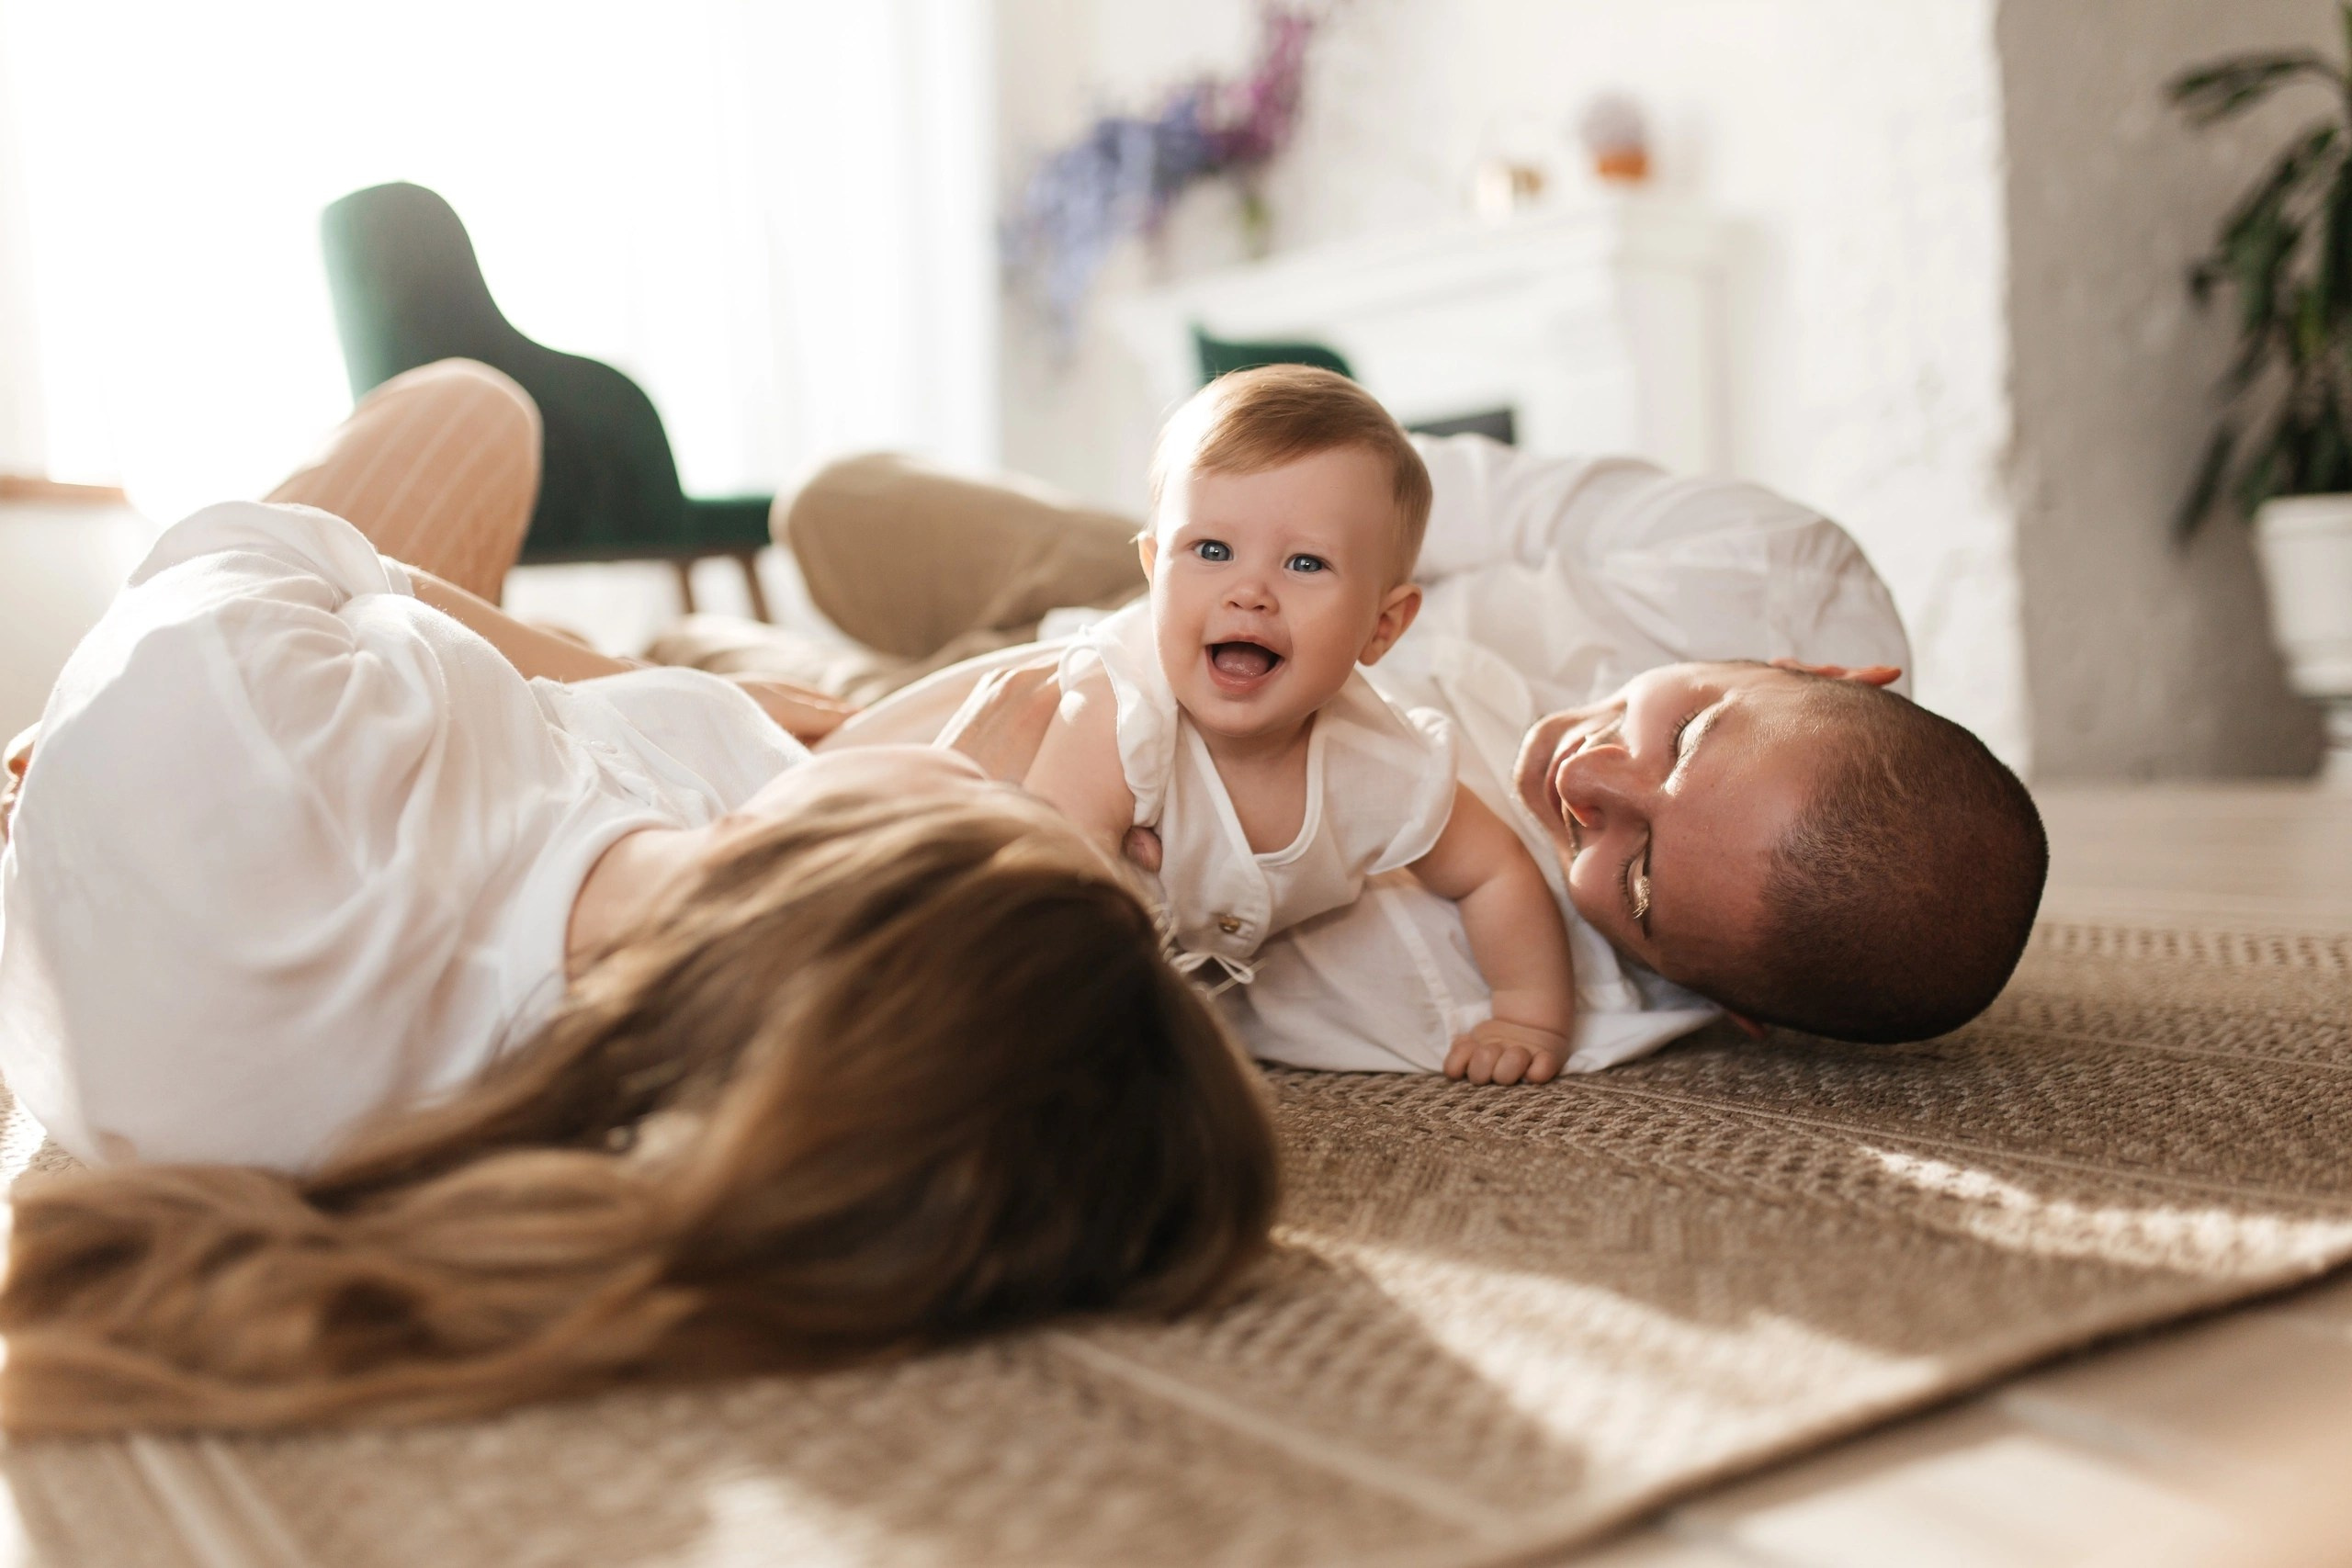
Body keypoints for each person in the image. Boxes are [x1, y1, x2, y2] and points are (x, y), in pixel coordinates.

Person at [0, 363, 1278, 1434]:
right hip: (675, 783)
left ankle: (707, 665)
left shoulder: (276, 734)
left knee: (471, 407)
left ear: (859, 856)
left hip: (273, 751)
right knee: (804, 677)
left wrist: (615, 678)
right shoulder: (621, 1081)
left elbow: (271, 556)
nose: (1130, 859)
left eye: (1039, 826)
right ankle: (713, 665)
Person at [760, 419, 2048, 1077]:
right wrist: (1259, 564)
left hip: (1039, 744)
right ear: (1817, 669)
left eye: (1642, 873)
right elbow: (1449, 488)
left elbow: (1199, 976)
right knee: (832, 504)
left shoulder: (1493, 983)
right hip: (1214, 586)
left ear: (1735, 1007)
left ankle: (771, 668)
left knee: (742, 705)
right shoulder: (1780, 568)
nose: (1587, 778)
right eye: (1687, 730)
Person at [1023, 367, 1577, 1085]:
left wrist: (1528, 1013)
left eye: (1306, 562)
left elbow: (1493, 870)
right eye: (1212, 550)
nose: (1250, 592)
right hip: (972, 808)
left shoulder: (1378, 763)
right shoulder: (1119, 708)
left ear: (1382, 626)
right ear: (1155, 570)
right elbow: (1047, 876)